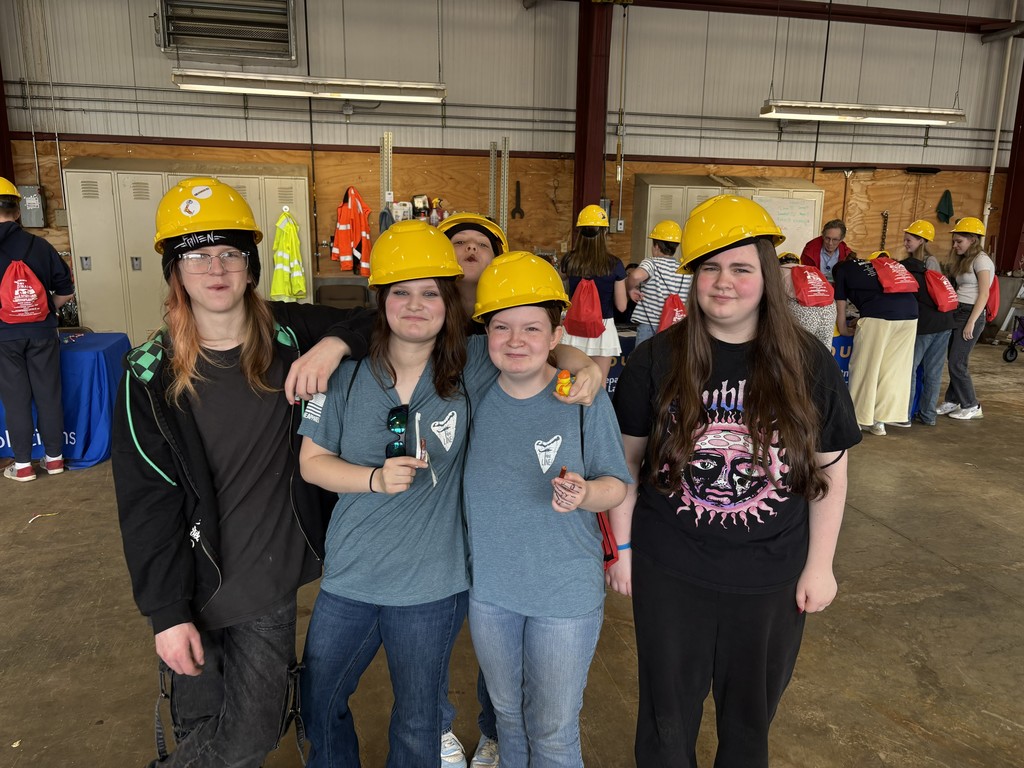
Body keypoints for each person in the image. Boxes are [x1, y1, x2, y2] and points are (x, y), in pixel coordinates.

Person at [296, 221, 601, 768]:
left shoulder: (476, 361)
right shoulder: (341, 374)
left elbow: (542, 347)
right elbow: (311, 463)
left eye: (430, 292)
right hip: (352, 574)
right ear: (380, 303)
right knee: (319, 699)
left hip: (433, 582)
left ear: (449, 300)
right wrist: (371, 479)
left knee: (418, 720)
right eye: (400, 293)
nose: (416, 305)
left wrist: (586, 368)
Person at [111, 176, 375, 767]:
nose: (216, 268)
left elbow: (378, 321)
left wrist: (332, 347)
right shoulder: (148, 376)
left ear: (251, 268)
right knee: (204, 727)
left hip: (266, 577)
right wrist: (167, 613)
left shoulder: (289, 335)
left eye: (230, 252)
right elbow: (145, 506)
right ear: (175, 274)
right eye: (196, 256)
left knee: (252, 734)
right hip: (193, 583)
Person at [606, 195, 860, 768]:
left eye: (741, 268)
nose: (724, 282)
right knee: (665, 722)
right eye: (710, 268)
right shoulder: (655, 360)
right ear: (693, 277)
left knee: (749, 725)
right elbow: (625, 463)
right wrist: (620, 549)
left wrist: (820, 565)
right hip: (670, 570)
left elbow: (830, 472)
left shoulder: (809, 362)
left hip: (771, 576)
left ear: (766, 276)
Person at [465, 252, 631, 768]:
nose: (516, 341)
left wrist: (585, 494)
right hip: (491, 592)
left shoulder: (580, 399)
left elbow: (617, 484)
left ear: (556, 335)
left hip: (563, 592)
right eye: (501, 327)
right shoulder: (474, 388)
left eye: (532, 328)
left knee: (553, 729)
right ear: (484, 335)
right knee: (509, 718)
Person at [436, 211, 507, 768]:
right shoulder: (420, 320)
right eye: (455, 242)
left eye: (479, 243)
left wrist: (583, 363)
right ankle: (437, 725)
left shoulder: (508, 327)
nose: (467, 248)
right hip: (432, 502)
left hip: (495, 501)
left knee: (496, 629)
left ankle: (494, 731)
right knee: (433, 619)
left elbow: (557, 348)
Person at [0, 177, 74, 482]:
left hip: (4, 337)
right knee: (48, 394)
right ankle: (55, 460)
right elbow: (66, 290)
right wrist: (45, 311)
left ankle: (23, 466)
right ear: (18, 212)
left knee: (15, 399)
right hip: (43, 333)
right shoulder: (41, 246)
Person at [833, 250, 918, 436]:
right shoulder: (873, 265)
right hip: (910, 313)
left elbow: (840, 305)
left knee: (866, 367)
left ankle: (856, 420)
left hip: (880, 315)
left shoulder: (842, 270)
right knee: (892, 370)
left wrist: (845, 328)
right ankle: (880, 422)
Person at [560, 204, 627, 383]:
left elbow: (559, 284)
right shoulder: (614, 264)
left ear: (580, 233)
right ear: (604, 232)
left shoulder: (569, 260)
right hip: (602, 329)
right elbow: (622, 306)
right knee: (598, 386)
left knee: (568, 383)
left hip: (573, 327)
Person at [898, 220, 956, 426]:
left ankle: (903, 415)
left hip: (927, 324)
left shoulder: (924, 264)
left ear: (921, 240)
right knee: (933, 371)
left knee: (910, 369)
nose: (905, 243)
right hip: (944, 322)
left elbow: (926, 295)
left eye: (909, 240)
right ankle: (928, 415)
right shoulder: (927, 262)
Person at [936, 216, 993, 421]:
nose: (955, 245)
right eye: (954, 241)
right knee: (955, 359)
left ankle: (972, 404)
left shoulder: (982, 260)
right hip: (958, 311)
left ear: (973, 240)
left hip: (971, 314)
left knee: (957, 362)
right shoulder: (965, 260)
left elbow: (984, 294)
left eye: (959, 241)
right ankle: (953, 400)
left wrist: (971, 321)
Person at [627, 220, 692, 345]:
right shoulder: (684, 269)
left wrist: (630, 289)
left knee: (642, 362)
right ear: (676, 246)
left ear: (656, 246)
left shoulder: (651, 262)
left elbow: (635, 276)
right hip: (674, 326)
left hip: (649, 325)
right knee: (667, 363)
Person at [778, 251, 837, 348]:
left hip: (803, 310)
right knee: (824, 353)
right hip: (829, 309)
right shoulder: (812, 270)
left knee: (798, 352)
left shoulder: (778, 271)